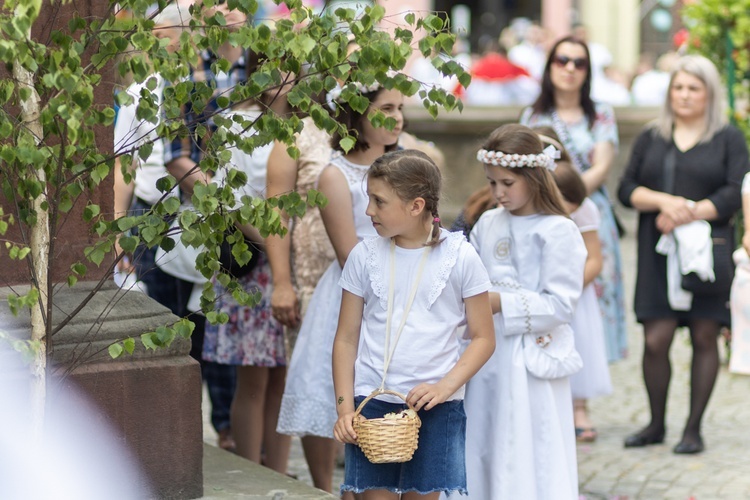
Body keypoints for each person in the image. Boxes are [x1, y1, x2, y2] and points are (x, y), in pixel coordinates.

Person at [332, 149, 495, 498]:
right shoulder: (364, 255)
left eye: (379, 201)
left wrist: (444, 387)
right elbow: (346, 338)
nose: (368, 211)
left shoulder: (460, 256)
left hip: (435, 405)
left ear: (416, 205)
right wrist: (346, 407)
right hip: (372, 402)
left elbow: (483, 338)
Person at [276, 82, 404, 493]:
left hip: (404, 284)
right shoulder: (336, 174)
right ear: (357, 115)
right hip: (354, 289)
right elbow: (350, 252)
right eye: (386, 108)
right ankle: (327, 486)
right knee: (330, 386)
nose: (397, 117)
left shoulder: (405, 167)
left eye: (400, 108)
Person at [617, 54, 748, 454]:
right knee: (656, 339)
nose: (685, 95)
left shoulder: (727, 137)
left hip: (708, 251)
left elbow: (733, 191)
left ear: (709, 94)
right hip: (658, 252)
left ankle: (693, 429)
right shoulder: (651, 136)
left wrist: (689, 212)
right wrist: (665, 202)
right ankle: (656, 423)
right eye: (678, 87)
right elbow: (626, 189)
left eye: (694, 87)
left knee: (706, 334)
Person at [461, 124, 586, 499]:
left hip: (531, 359)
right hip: (488, 353)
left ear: (533, 177)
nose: (498, 193)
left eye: (507, 183)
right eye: (492, 182)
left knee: (531, 441)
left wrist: (500, 302)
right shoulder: (488, 222)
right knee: (486, 434)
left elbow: (562, 302)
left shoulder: (558, 230)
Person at [200, 49, 293, 472]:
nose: (282, 78)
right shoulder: (236, 123)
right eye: (271, 68)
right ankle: (250, 473)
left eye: (291, 68)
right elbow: (230, 203)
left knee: (284, 378)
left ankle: (278, 470)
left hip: (298, 262)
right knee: (254, 378)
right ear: (255, 71)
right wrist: (280, 247)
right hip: (251, 262)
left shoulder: (307, 124)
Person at [521, 35, 628, 363]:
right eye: (562, 60)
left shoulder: (601, 115)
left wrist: (567, 197)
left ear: (588, 71)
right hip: (543, 215)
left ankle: (588, 377)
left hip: (589, 213)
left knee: (594, 293)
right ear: (549, 65)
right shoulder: (533, 115)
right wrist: (552, 203)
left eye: (579, 62)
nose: (570, 68)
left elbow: (602, 167)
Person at [552, 162, 613, 442]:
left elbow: (594, 259)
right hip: (541, 291)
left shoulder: (584, 209)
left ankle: (579, 407)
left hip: (576, 288)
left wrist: (568, 290)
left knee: (579, 344)